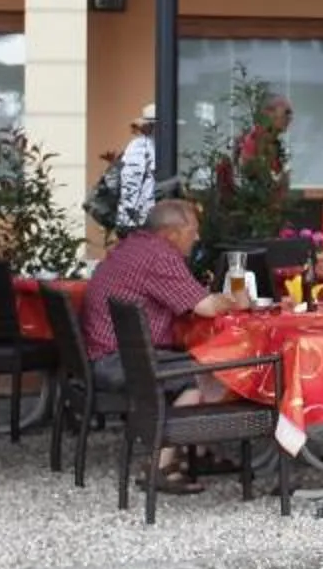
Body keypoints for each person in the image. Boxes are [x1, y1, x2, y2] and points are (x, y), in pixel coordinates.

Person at [81, 198, 259, 490]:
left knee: (202, 364)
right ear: (171, 233)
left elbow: (183, 297)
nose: (198, 237)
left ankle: (200, 451)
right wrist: (237, 301)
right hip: (118, 362)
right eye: (194, 230)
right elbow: (206, 307)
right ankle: (160, 465)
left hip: (108, 355)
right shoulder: (159, 256)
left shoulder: (132, 247)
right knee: (199, 375)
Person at [111, 106, 158, 242]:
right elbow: (130, 183)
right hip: (139, 221)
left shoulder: (151, 145)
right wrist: (132, 217)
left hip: (141, 219)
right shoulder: (140, 146)